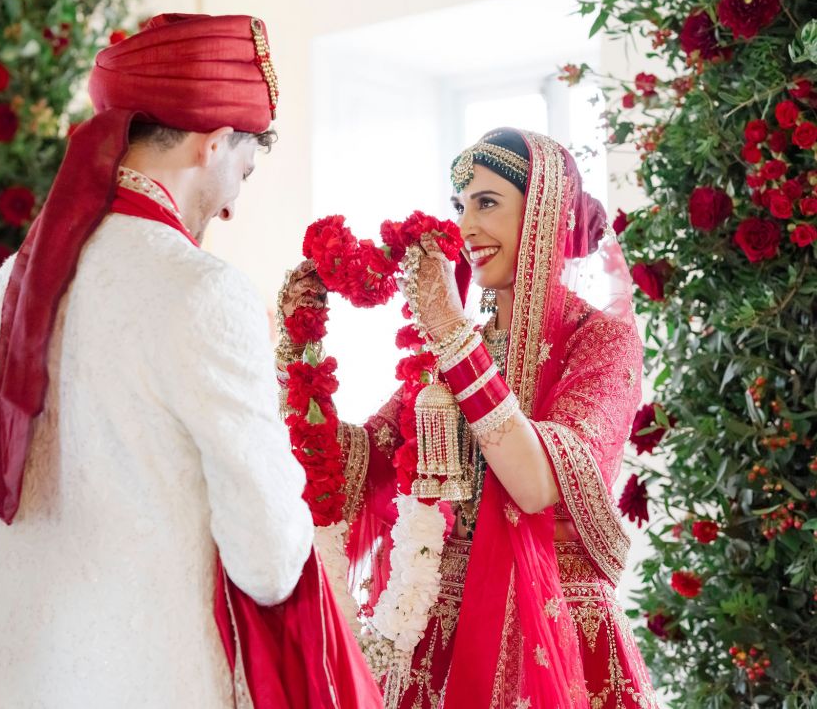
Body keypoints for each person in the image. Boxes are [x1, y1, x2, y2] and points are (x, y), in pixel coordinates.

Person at [0, 13, 378, 708]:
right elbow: (271, 561)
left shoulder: (6, 291)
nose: (235, 204)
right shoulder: (201, 291)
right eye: (243, 171)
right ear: (213, 145)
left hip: (24, 685)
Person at [280, 128, 659, 707]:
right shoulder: (453, 351)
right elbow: (363, 465)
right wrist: (300, 360)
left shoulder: (599, 341)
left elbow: (535, 485)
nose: (467, 227)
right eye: (461, 206)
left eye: (487, 203)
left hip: (550, 632)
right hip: (437, 632)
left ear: (543, 215)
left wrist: (453, 335)